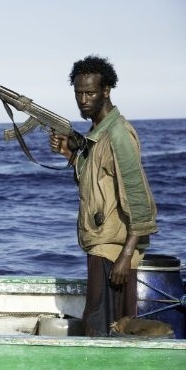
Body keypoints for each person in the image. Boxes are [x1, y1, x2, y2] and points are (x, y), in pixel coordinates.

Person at [50, 55, 157, 337]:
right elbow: (95, 185)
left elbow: (138, 197)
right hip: (101, 244)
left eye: (90, 93)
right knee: (106, 325)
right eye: (78, 93)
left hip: (114, 250)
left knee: (101, 326)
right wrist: (70, 155)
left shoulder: (118, 134)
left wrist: (126, 255)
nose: (83, 100)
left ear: (106, 91)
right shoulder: (97, 134)